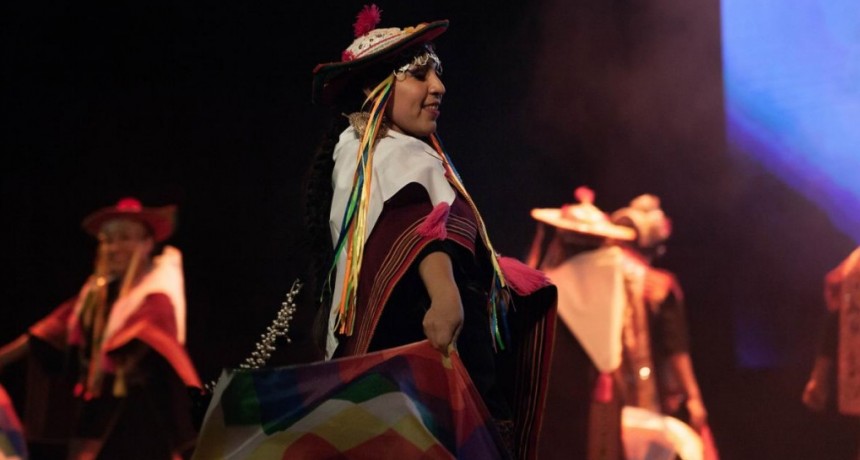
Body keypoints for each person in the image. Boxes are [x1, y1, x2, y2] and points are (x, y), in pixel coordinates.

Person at [304, 5, 581, 458]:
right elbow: (413, 223)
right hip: (429, 355)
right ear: (375, 92)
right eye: (419, 75)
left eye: (437, 73)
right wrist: (445, 295)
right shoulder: (389, 154)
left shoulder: (364, 152)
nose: (439, 88)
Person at [0, 197, 201, 459]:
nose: (113, 247)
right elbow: (48, 330)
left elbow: (153, 335)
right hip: (101, 411)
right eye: (107, 240)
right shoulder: (95, 298)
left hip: (146, 415)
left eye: (125, 237)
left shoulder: (156, 296)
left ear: (148, 243)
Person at [527, 185, 638, 460]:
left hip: (556, 394)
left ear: (561, 240)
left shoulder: (547, 287)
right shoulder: (616, 277)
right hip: (600, 392)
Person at [610, 193, 718, 459]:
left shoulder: (601, 277)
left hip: (609, 391)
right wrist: (694, 398)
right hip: (650, 395)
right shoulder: (659, 285)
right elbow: (675, 347)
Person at [802, 246, 860, 459]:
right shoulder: (853, 267)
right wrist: (819, 374)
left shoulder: (853, 267)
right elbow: (837, 312)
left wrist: (819, 375)